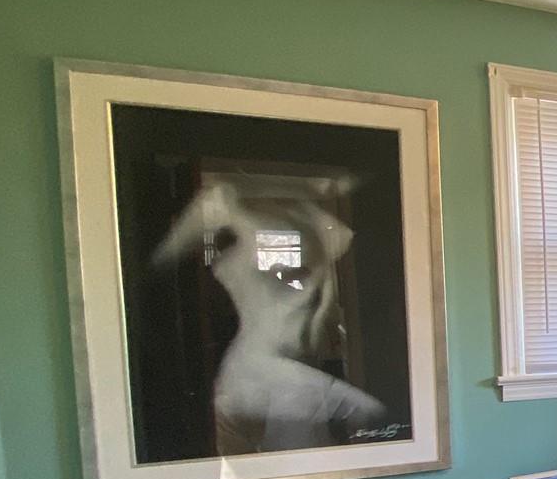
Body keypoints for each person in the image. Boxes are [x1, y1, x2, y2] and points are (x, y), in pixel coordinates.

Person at [152, 178, 387, 452]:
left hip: (248, 379)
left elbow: (336, 240)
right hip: (262, 377)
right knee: (361, 417)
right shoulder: (240, 265)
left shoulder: (253, 271)